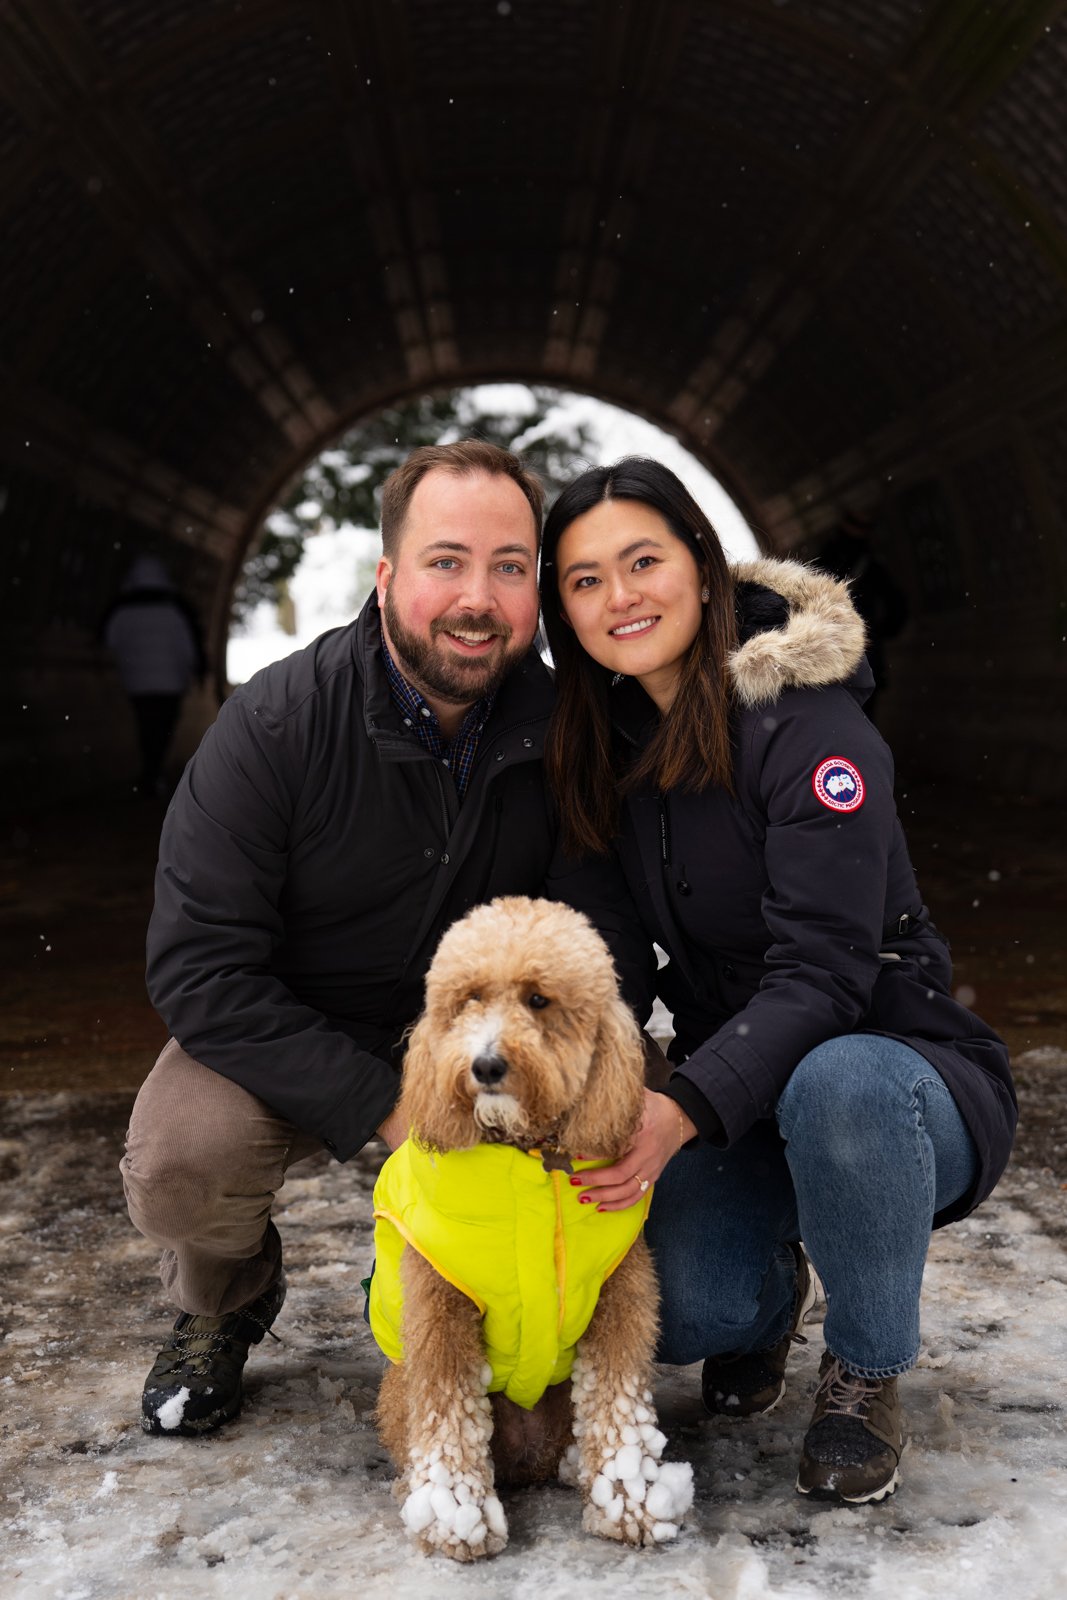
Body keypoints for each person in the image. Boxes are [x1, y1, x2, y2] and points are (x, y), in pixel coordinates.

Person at [539, 458, 1015, 1505]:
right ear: (559, 610)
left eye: (641, 561)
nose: (619, 597)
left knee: (835, 1084)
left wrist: (682, 1111)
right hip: (734, 1087)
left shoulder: (808, 724)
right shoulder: (595, 746)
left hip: (894, 1074)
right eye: (582, 580)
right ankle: (765, 1293)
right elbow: (603, 958)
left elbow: (827, 975)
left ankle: (865, 1365)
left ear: (701, 569)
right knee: (684, 1313)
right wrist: (590, 1086)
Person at [122, 439, 556, 1437]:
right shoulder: (275, 723)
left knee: (610, 1105)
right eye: (445, 561)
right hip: (290, 1030)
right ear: (387, 575)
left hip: (482, 1033)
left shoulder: (565, 723)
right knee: (181, 1162)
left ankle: (528, 1307)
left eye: (508, 566)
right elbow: (199, 967)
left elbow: (597, 922)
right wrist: (385, 1105)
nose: (476, 598)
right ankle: (221, 1298)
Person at [99, 555, 207, 795]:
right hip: (171, 683)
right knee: (164, 726)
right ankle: (154, 770)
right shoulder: (177, 608)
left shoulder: (120, 610)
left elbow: (109, 641)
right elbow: (188, 646)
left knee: (145, 724)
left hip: (136, 683)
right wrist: (196, 671)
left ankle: (149, 772)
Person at [813, 509, 908, 723]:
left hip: (829, 651)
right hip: (864, 656)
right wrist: (878, 632)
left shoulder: (825, 559)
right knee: (862, 721)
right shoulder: (873, 565)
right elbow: (898, 609)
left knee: (826, 720)